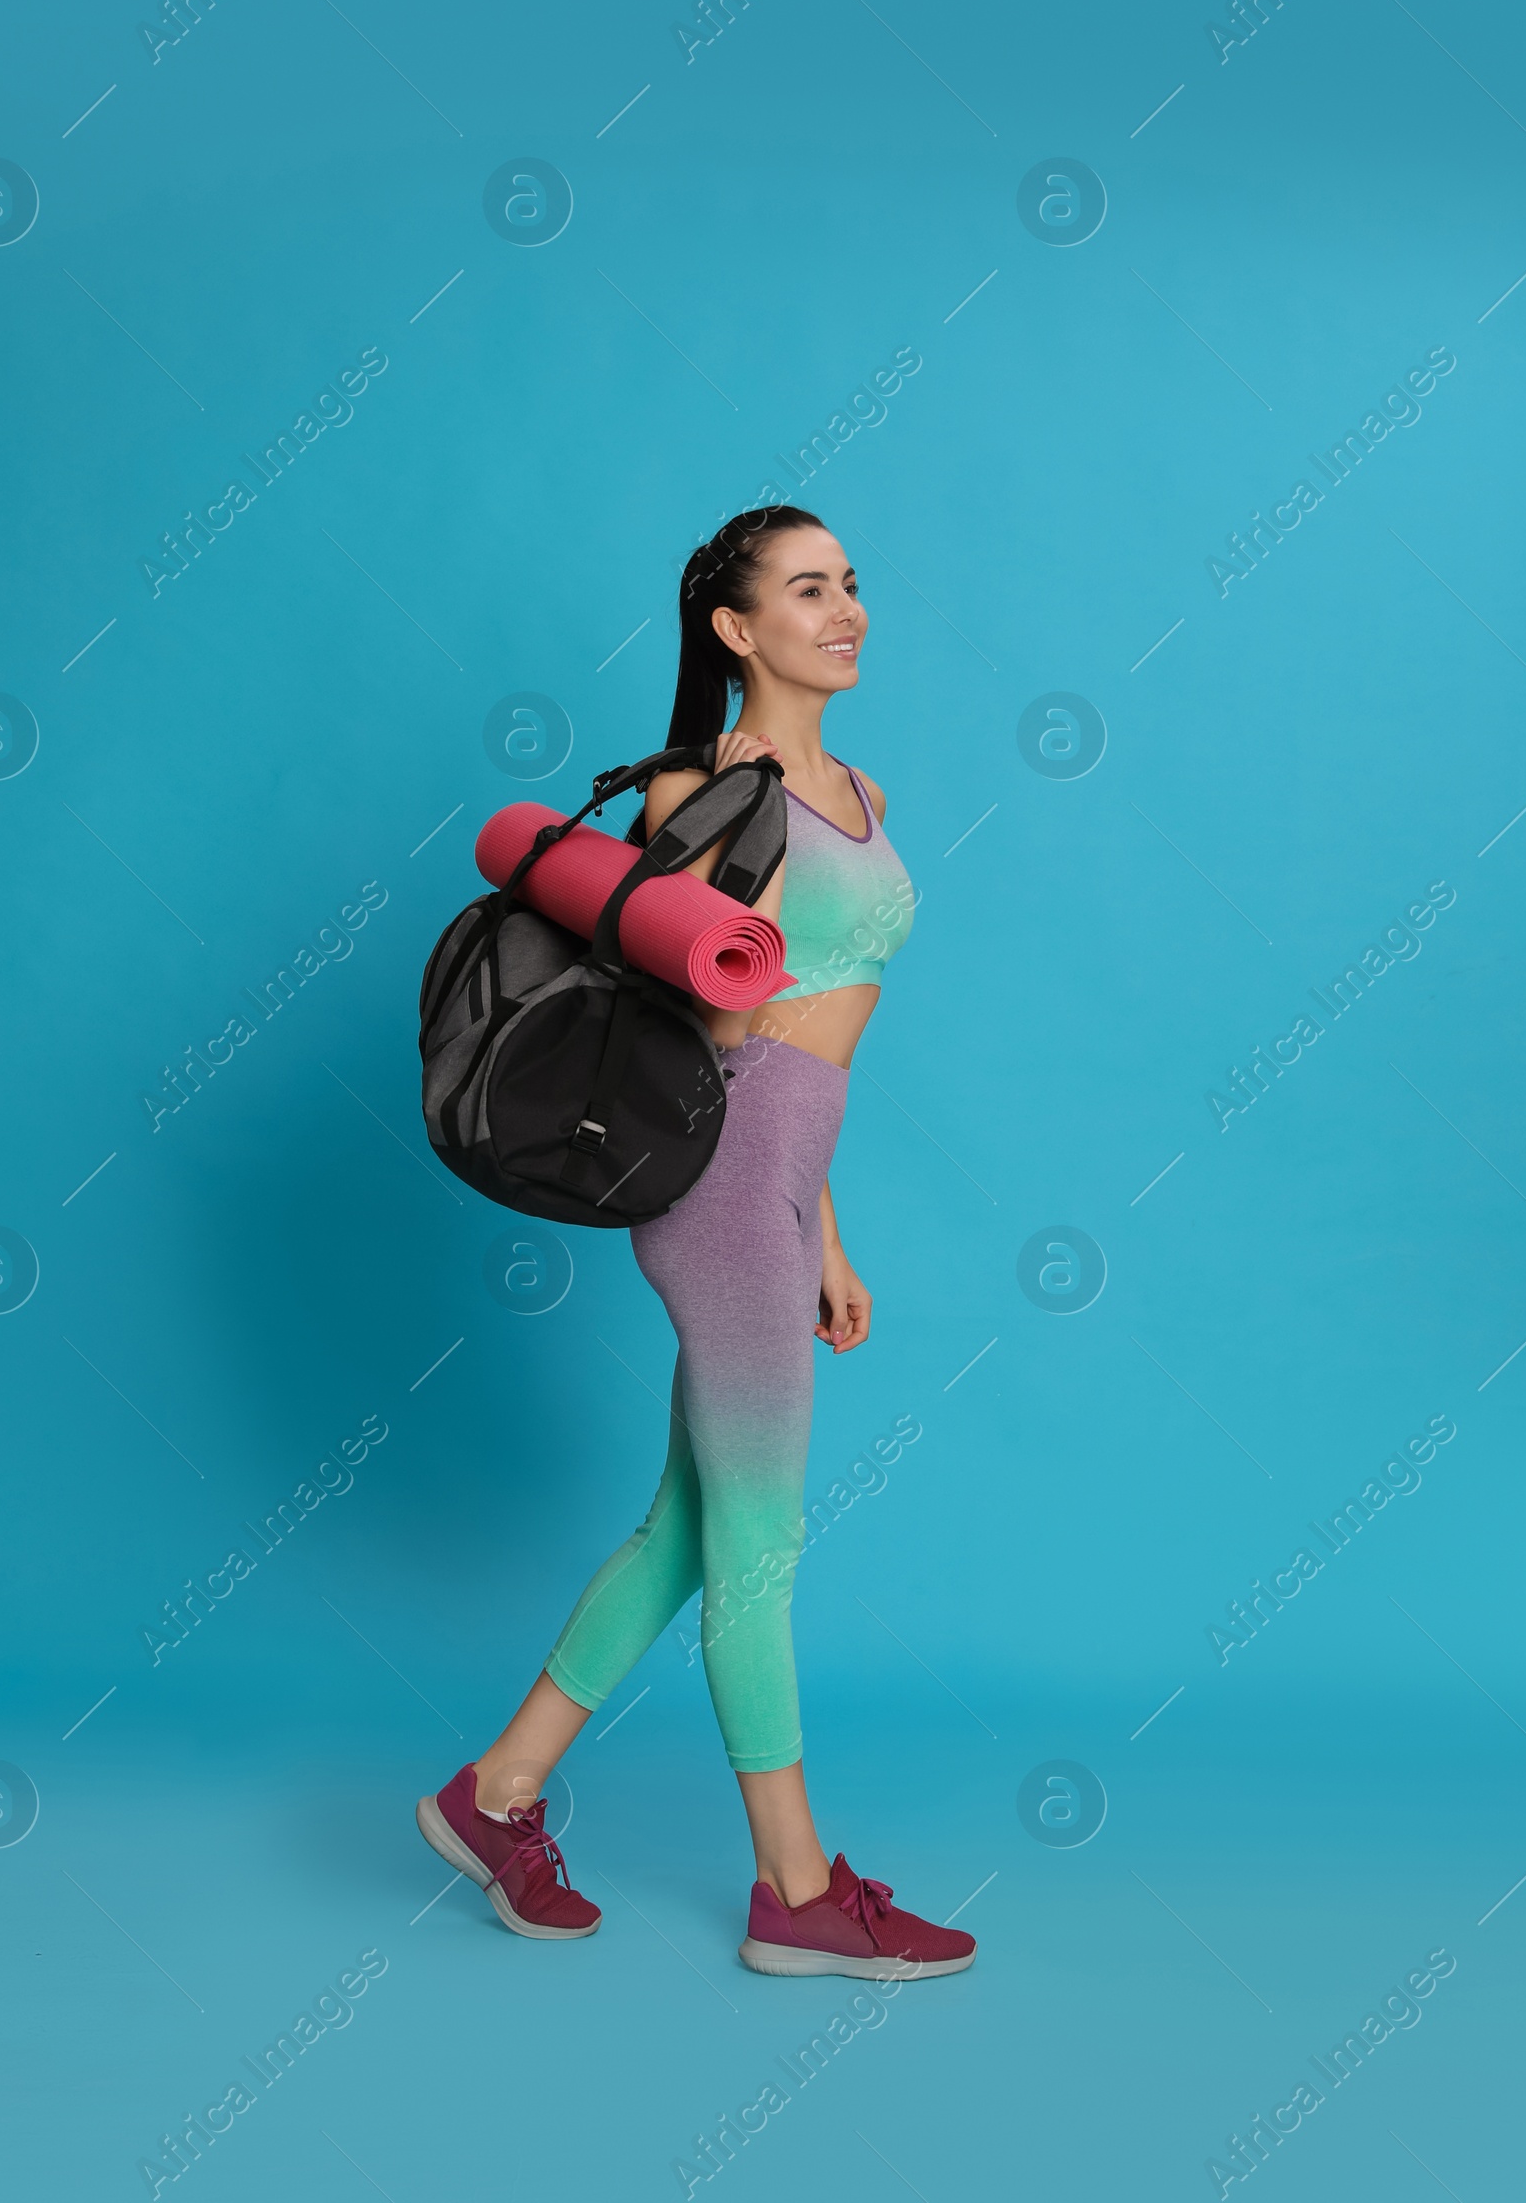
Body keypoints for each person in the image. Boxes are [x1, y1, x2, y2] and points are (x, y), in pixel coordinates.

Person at [417, 507, 976, 1980]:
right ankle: (793, 1891)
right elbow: (714, 1036)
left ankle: (497, 1793)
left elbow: (819, 1037)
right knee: (761, 1550)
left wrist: (826, 1236)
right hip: (719, 1182)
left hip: (783, 1185)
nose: (846, 608)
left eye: (853, 582)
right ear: (736, 630)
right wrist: (775, 1206)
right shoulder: (702, 795)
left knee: (688, 1535)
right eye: (808, 590)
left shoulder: (859, 785)